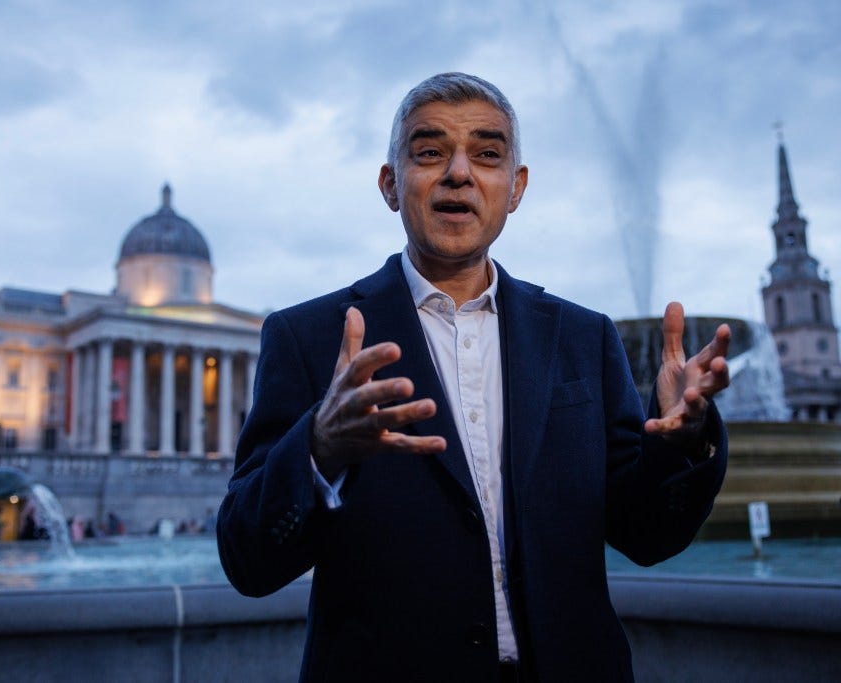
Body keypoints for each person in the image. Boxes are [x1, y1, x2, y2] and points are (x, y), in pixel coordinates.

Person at [217, 73, 732, 683]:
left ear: (515, 189)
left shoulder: (585, 337)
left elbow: (648, 536)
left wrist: (679, 442)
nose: (459, 172)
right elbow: (248, 560)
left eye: (487, 155)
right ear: (390, 184)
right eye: (429, 151)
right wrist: (318, 448)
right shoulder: (307, 338)